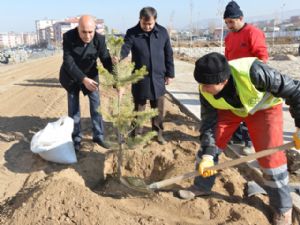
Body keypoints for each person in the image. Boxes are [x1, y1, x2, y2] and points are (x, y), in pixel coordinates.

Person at [179, 52, 300, 225]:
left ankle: (283, 208)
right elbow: (209, 124)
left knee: (271, 159)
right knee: (208, 150)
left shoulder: (256, 72)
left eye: (207, 84)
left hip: (264, 109)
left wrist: (299, 128)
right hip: (230, 110)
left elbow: (296, 90)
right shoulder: (205, 90)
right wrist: (207, 156)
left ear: (223, 81)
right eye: (201, 84)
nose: (203, 88)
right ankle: (201, 186)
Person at [120, 7, 175, 144]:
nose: (147, 27)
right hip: (140, 78)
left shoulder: (162, 32)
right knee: (139, 108)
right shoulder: (132, 33)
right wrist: (119, 56)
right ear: (140, 20)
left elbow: (169, 53)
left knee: (158, 109)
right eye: (145, 24)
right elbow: (125, 48)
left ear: (155, 20)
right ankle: (136, 134)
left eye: (150, 24)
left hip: (158, 77)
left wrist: (170, 73)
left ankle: (158, 133)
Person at [59, 15, 113, 151]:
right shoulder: (68, 37)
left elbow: (105, 59)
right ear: (78, 28)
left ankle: (98, 136)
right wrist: (83, 79)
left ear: (95, 29)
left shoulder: (99, 40)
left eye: (91, 32)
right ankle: (76, 138)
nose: (88, 36)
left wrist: (117, 75)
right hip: (71, 76)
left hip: (91, 74)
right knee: (74, 109)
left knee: (96, 107)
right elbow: (68, 62)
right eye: (84, 32)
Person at [223, 1, 269, 152]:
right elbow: (227, 58)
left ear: (240, 18)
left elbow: (262, 57)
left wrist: (258, 79)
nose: (229, 25)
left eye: (231, 21)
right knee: (235, 109)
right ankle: (236, 137)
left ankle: (249, 143)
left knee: (250, 110)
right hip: (235, 80)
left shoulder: (253, 33)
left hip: (251, 80)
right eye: (226, 22)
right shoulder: (229, 38)